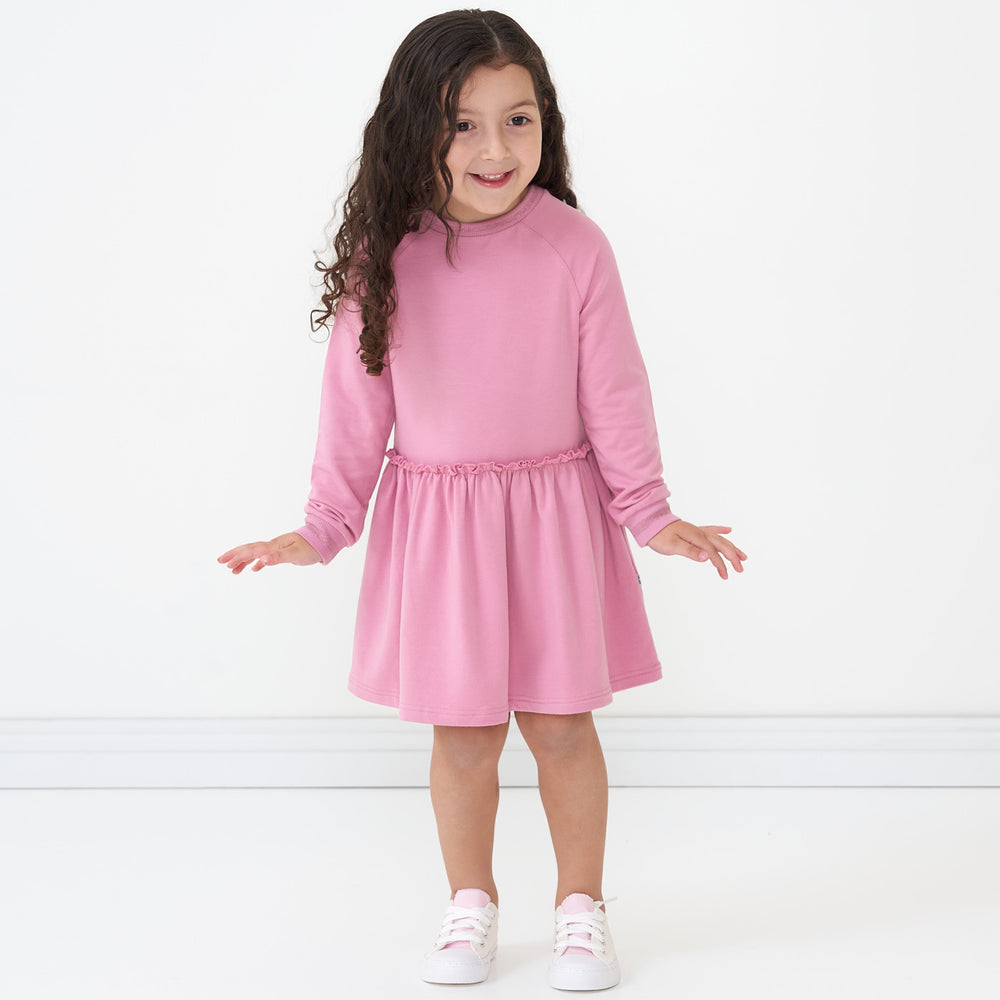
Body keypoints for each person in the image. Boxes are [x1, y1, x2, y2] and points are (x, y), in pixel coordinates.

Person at [218, 8, 746, 991]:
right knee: (462, 734)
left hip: (552, 522)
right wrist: (321, 526)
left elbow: (615, 391)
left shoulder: (574, 247)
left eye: (518, 119)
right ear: (417, 126)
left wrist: (650, 509)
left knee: (559, 724)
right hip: (443, 532)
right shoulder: (388, 261)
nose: (494, 147)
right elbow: (353, 408)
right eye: (463, 123)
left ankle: (580, 907)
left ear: (546, 125)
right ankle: (471, 903)